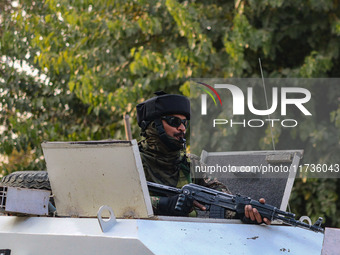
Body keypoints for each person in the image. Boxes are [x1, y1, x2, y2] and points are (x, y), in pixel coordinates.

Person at [136, 91, 270, 224]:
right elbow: (119, 203)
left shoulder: (191, 164)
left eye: (184, 122)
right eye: (174, 121)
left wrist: (243, 212)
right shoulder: (131, 161)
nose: (182, 128)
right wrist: (162, 204)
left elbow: (220, 196)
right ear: (154, 125)